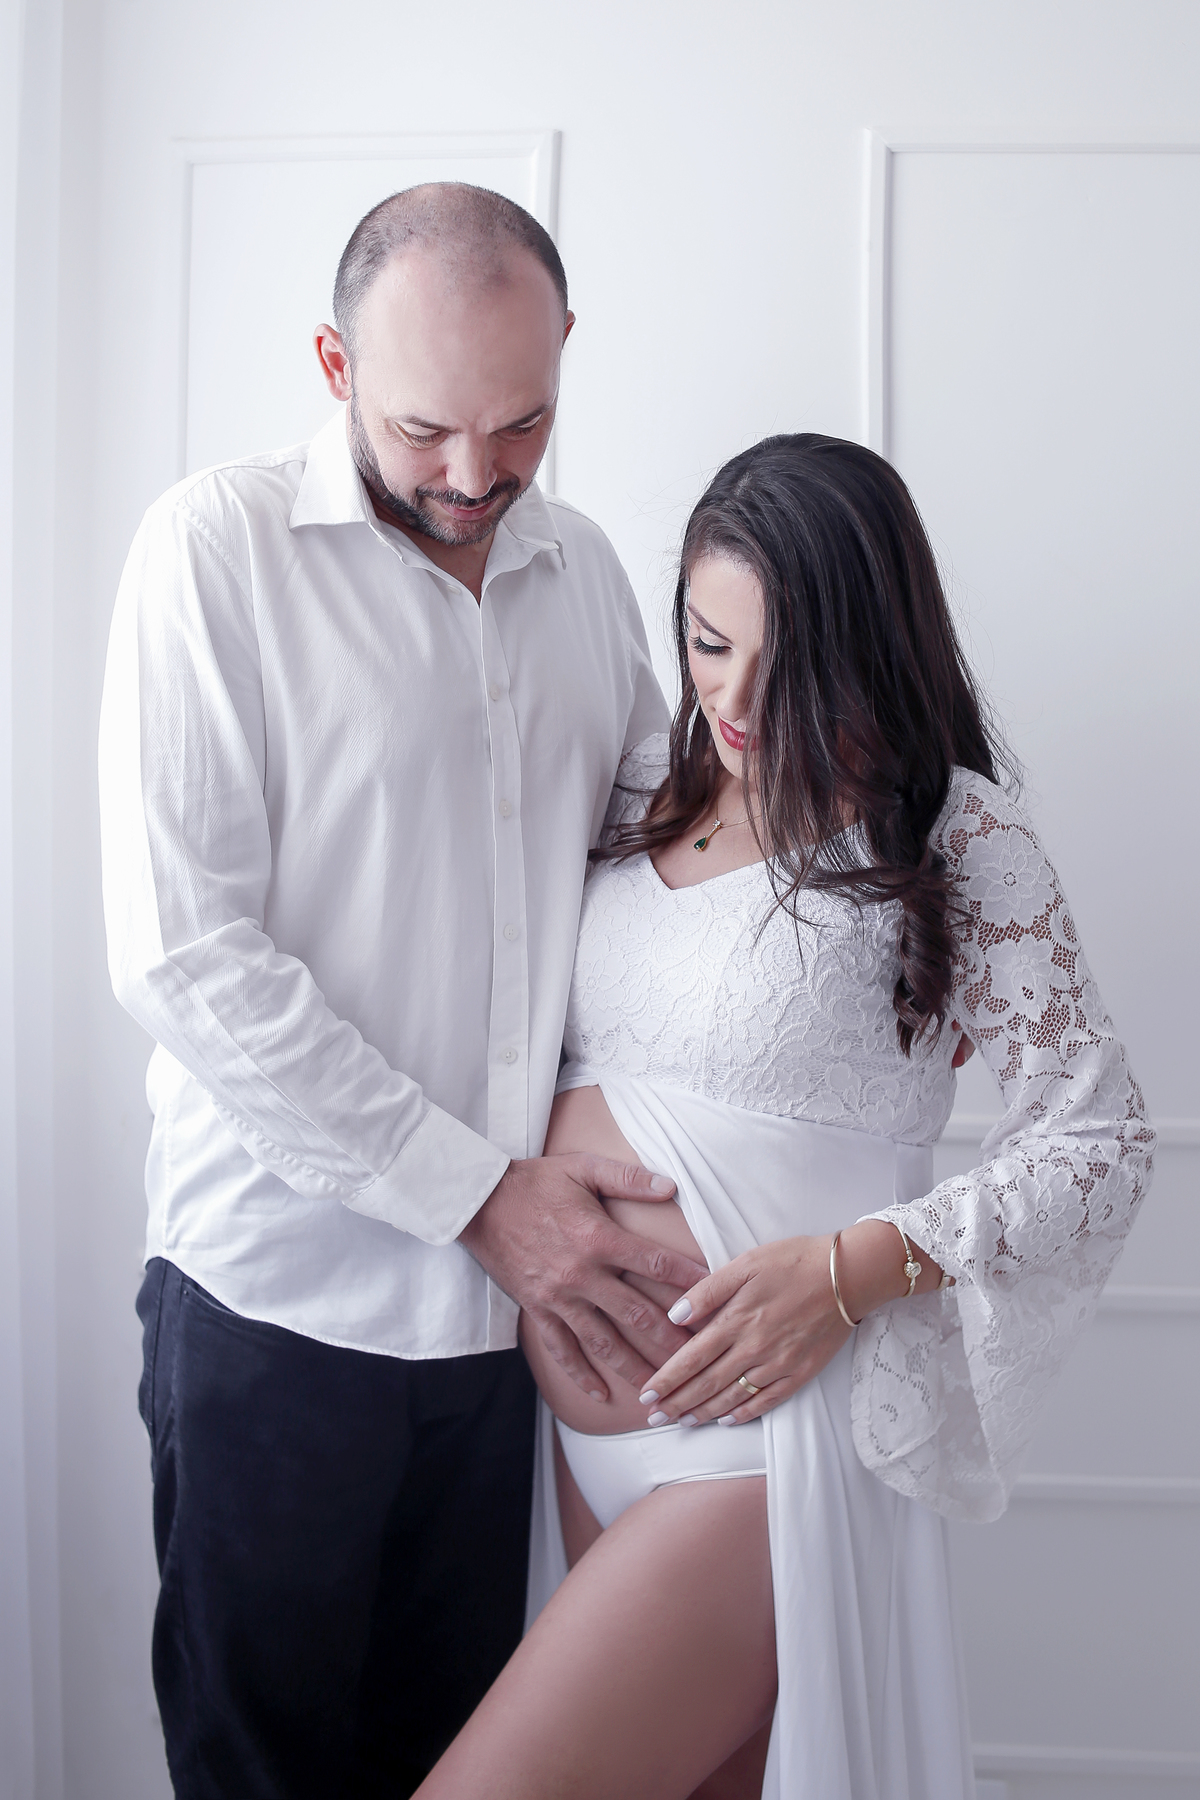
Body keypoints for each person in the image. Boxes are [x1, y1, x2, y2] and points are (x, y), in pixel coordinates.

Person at [412, 434, 1155, 1800]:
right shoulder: (642, 786)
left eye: (782, 662)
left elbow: (1098, 1143)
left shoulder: (953, 835)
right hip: (573, 1440)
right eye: (706, 644)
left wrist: (847, 1272)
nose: (735, 700)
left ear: (872, 648)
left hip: (766, 1454)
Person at [98, 183, 710, 1800]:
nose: (472, 476)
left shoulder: (579, 574)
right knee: (270, 1772)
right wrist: (478, 1195)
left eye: (522, 423)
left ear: (566, 355)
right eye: (427, 425)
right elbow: (186, 955)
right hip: (278, 1303)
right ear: (331, 362)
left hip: (509, 1331)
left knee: (454, 1762)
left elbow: (654, 856)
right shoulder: (211, 553)